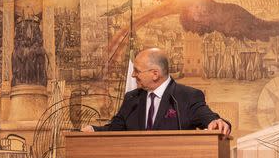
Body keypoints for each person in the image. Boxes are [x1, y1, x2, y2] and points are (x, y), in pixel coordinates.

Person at [82, 48, 231, 136]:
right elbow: (115, 129)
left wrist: (217, 122)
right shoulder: (132, 98)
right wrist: (94, 130)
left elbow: (209, 118)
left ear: (155, 74)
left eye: (137, 71)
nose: (133, 75)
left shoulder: (187, 96)